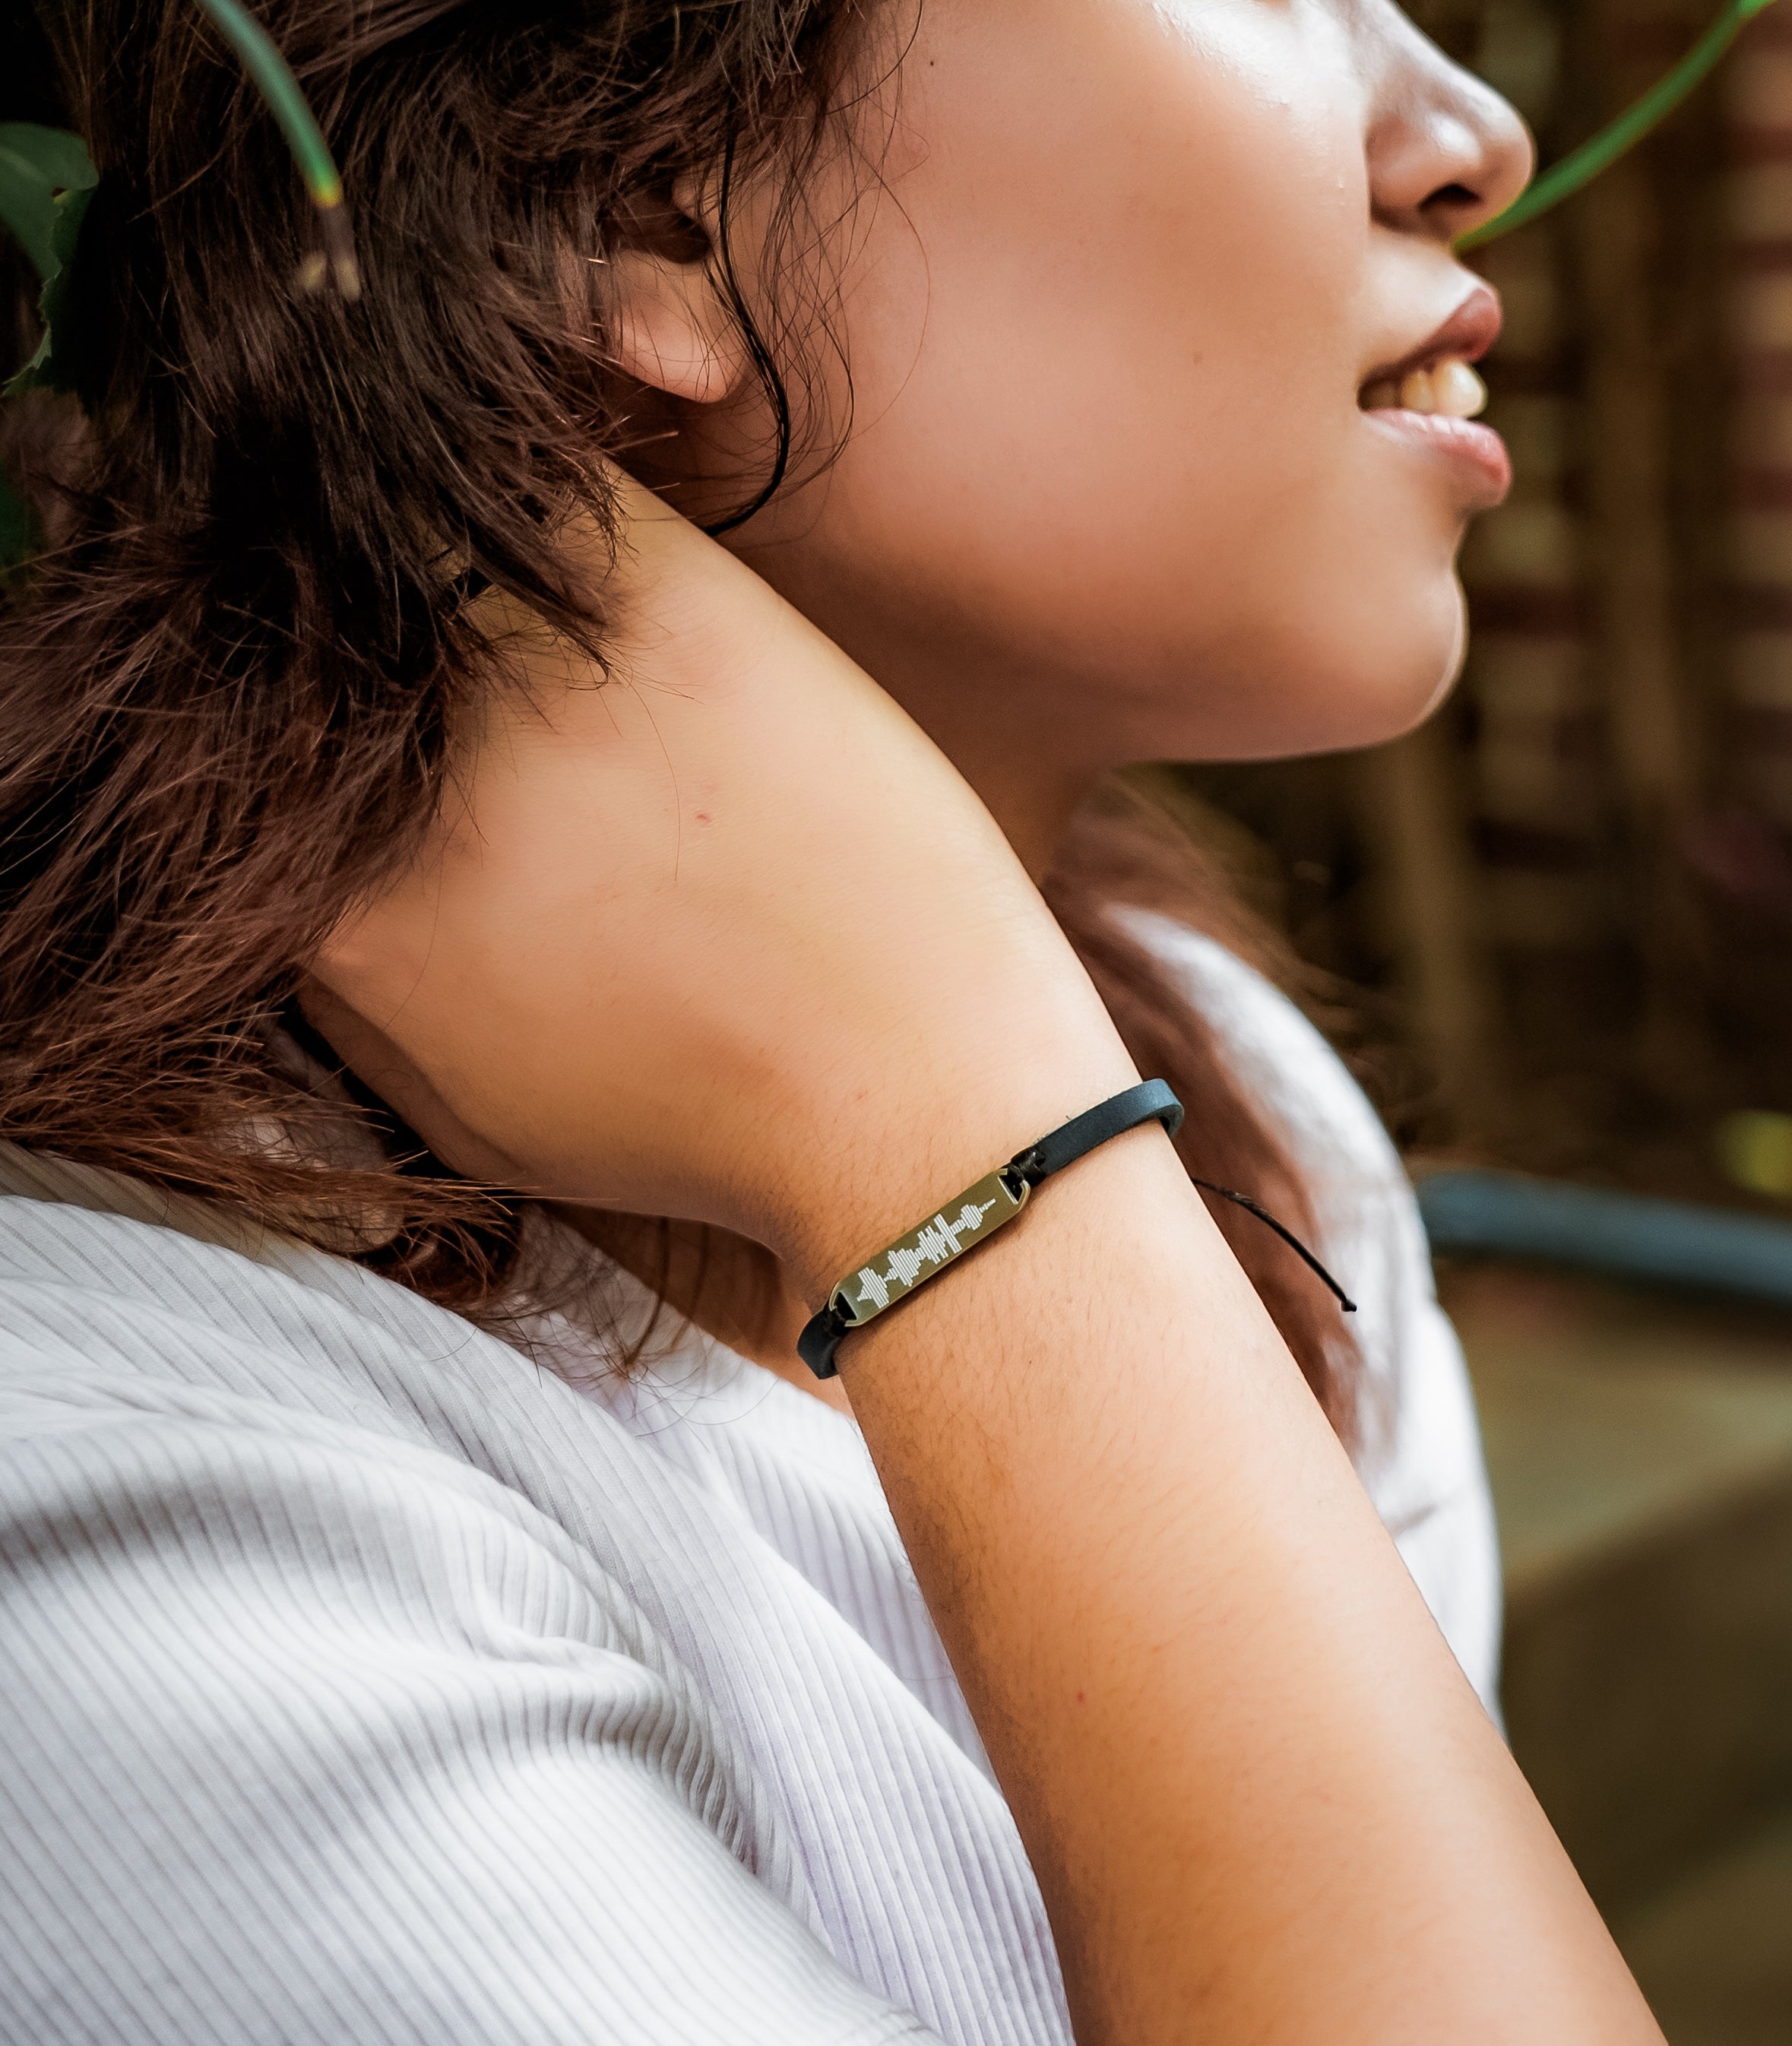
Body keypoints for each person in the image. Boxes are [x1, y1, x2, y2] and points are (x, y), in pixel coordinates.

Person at [0, 2, 1665, 2042]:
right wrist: (968, 1138)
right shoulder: (119, 1488)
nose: (1471, 133)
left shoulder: (1241, 1115)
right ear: (618, 203)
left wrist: (984, 1104)